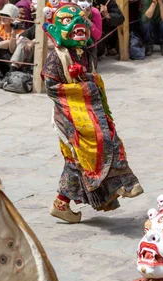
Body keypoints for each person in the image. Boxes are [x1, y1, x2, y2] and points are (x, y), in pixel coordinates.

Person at [42, 3, 143, 222]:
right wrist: (85, 87)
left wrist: (92, 80)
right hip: (69, 114)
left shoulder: (83, 53)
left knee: (78, 159)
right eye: (68, 21)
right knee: (102, 141)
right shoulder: (56, 58)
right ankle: (123, 183)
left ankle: (61, 203)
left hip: (89, 110)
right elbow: (51, 87)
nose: (78, 25)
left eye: (81, 20)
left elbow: (91, 76)